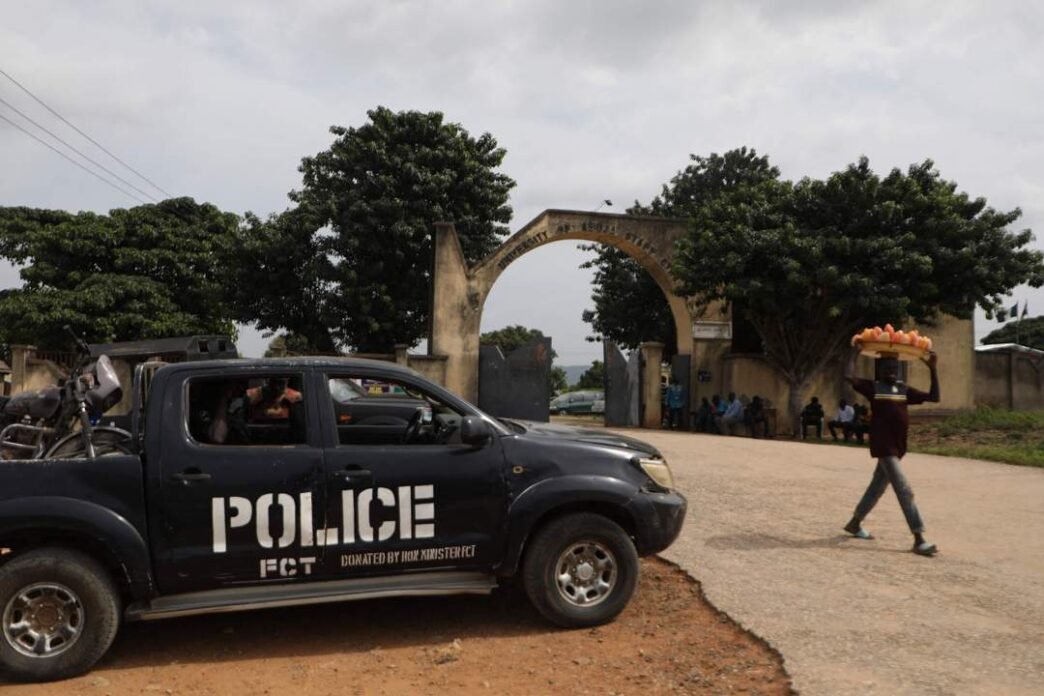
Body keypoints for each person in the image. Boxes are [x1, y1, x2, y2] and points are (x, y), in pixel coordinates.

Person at [843, 350, 940, 557]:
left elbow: (934, 397)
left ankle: (854, 523)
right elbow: (849, 376)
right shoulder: (874, 387)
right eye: (887, 367)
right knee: (904, 490)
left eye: (895, 368)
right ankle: (919, 538)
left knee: (876, 488)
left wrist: (932, 369)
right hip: (884, 447)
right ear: (879, 369)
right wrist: (855, 352)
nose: (892, 371)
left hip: (898, 447)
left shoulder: (903, 389)